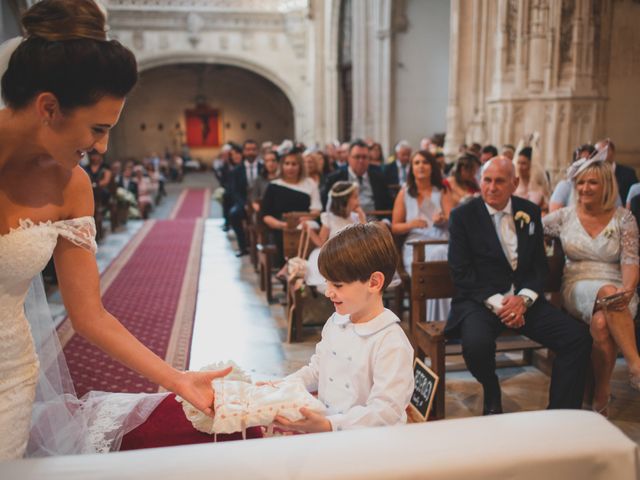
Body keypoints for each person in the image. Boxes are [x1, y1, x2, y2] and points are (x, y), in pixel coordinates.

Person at [0, 0, 230, 460]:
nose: (102, 146)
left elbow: (89, 315)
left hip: (9, 377)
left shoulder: (72, 185)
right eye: (98, 128)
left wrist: (176, 378)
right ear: (48, 107)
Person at [446, 156, 591, 415]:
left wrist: (523, 300)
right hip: (481, 302)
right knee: (476, 346)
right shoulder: (462, 216)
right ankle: (491, 388)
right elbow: (461, 273)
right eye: (487, 180)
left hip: (524, 302)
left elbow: (538, 267)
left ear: (514, 183)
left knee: (577, 338)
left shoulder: (529, 211)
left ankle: (562, 412)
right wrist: (502, 305)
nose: (491, 187)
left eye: (499, 181)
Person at [274, 223, 414, 433]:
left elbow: (384, 411)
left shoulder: (390, 342)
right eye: (327, 283)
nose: (328, 292)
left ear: (374, 282)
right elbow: (317, 370)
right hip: (329, 429)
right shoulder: (335, 321)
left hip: (369, 443)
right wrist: (280, 387)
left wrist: (331, 425)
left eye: (337, 285)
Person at [543, 158, 640, 416]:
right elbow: (530, 231)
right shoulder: (563, 217)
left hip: (619, 286)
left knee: (600, 324)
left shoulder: (624, 218)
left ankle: (602, 391)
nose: (585, 188)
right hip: (578, 283)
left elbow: (630, 260)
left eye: (592, 182)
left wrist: (629, 289)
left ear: (606, 185)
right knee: (607, 293)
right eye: (581, 182)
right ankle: (636, 364)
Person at [391, 150, 452, 320]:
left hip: (440, 238)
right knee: (436, 255)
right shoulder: (405, 193)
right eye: (416, 163)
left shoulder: (442, 191)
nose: (421, 166)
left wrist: (442, 219)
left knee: (441, 252)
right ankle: (432, 320)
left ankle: (446, 320)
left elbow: (452, 219)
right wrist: (411, 224)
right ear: (411, 168)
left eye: (425, 162)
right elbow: (395, 227)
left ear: (432, 167)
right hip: (415, 245)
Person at [261, 148, 322, 266]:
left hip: (305, 227)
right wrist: (283, 225)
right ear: (282, 166)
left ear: (300, 166)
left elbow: (316, 209)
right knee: (286, 238)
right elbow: (265, 215)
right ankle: (288, 272)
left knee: (309, 234)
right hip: (280, 228)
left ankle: (306, 271)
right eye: (287, 164)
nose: (290, 167)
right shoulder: (274, 186)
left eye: (294, 164)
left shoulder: (309, 183)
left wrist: (306, 219)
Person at [304, 181, 366, 290]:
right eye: (355, 197)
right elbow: (321, 242)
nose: (358, 200)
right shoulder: (329, 218)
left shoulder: (356, 217)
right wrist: (310, 231)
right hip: (333, 254)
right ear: (344, 200)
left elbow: (365, 237)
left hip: (353, 253)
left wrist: (361, 216)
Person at [322, 139, 392, 214]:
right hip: (345, 221)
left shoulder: (379, 178)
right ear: (348, 158)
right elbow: (326, 206)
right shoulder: (335, 179)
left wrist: (385, 222)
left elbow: (388, 205)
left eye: (364, 157)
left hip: (374, 221)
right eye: (357, 157)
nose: (361, 161)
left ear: (369, 159)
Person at [228, 139, 262, 256]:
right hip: (244, 202)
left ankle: (263, 244)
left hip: (261, 202)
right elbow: (235, 191)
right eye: (248, 150)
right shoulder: (237, 170)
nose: (251, 152)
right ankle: (243, 247)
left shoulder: (263, 168)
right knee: (234, 214)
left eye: (253, 149)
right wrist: (244, 204)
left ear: (257, 151)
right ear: (243, 152)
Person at [549, 144, 595, 212]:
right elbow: (554, 215)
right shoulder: (566, 186)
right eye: (582, 161)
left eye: (590, 162)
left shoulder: (606, 187)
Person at [595, 139, 638, 205]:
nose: (601, 154)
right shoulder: (592, 174)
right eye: (598, 151)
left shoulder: (628, 173)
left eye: (604, 151)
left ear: (613, 152)